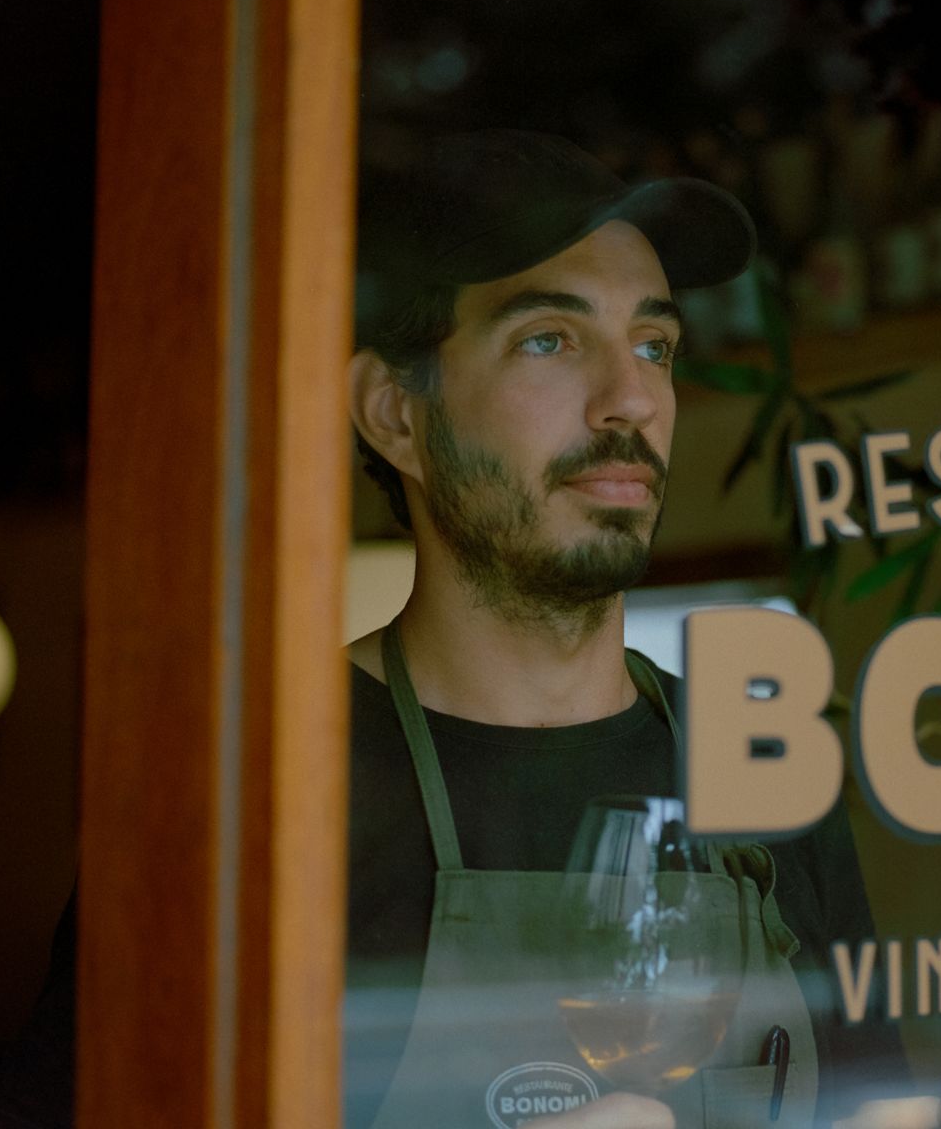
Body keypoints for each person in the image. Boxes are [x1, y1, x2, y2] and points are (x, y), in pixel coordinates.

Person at [342, 131, 899, 1129]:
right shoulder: (261, 790)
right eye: (548, 340)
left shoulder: (759, 768)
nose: (632, 399)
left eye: (653, 347)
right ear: (394, 414)